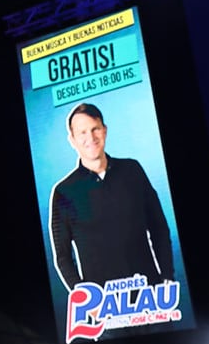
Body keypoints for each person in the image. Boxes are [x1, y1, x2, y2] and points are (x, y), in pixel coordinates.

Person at [48, 102, 174, 292]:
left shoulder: (132, 170)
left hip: (150, 296)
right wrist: (86, 299)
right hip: (105, 306)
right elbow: (63, 257)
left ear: (104, 131)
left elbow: (159, 228)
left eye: (95, 129)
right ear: (72, 140)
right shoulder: (63, 192)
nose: (90, 137)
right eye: (82, 132)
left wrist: (167, 277)